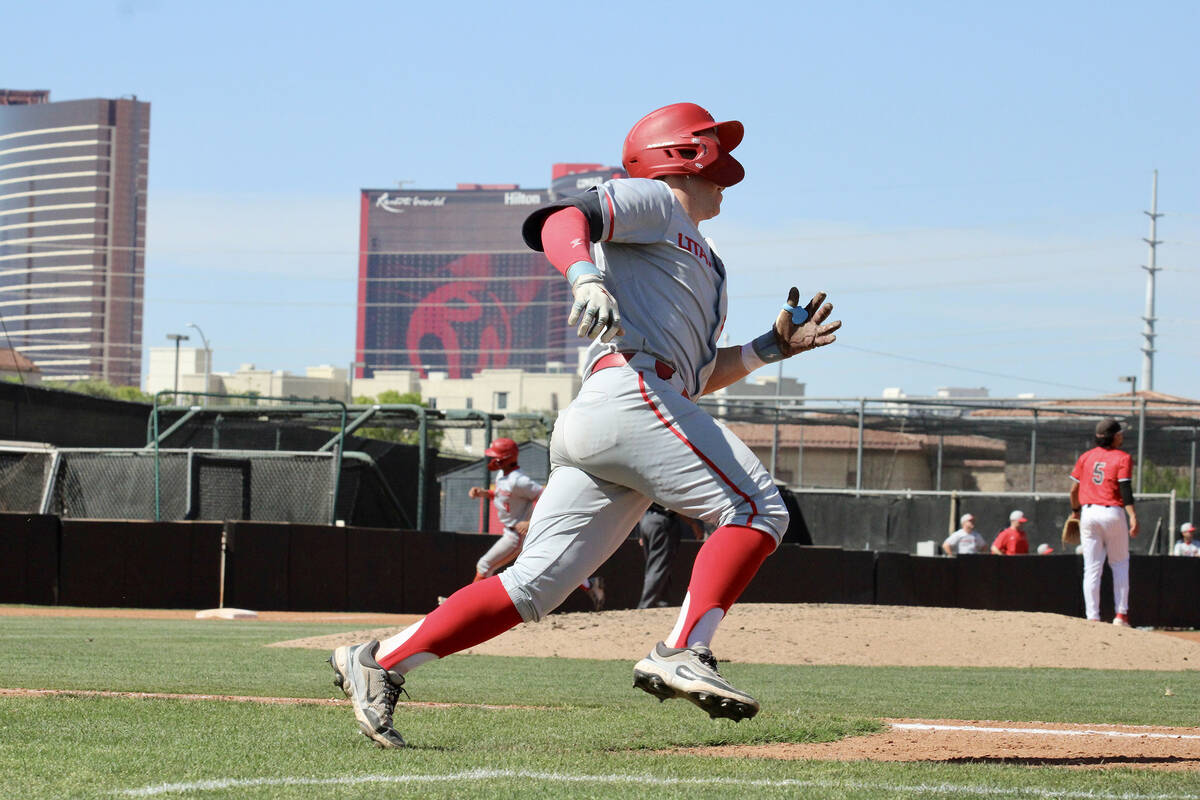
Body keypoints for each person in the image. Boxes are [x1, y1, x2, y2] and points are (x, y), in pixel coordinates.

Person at [328, 102, 841, 748]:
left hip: (627, 408)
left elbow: (696, 378)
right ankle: (683, 647)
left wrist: (772, 346)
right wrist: (585, 275)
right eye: (712, 148)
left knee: (530, 587)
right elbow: (561, 218)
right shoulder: (657, 200)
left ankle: (380, 661)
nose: (725, 166)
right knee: (759, 509)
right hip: (628, 392)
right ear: (681, 154)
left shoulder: (708, 263)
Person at [461, 437, 605, 610]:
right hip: (511, 532)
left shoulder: (519, 480)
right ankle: (590, 585)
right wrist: (485, 493)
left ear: (508, 458)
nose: (493, 460)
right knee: (551, 564)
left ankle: (467, 607)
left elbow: (544, 497)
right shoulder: (502, 475)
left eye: (497, 456)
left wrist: (530, 522)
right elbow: (506, 497)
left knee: (485, 565)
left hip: (517, 535)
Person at [1069, 417, 1139, 626]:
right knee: (1119, 563)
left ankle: (1092, 617)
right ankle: (1120, 615)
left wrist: (1075, 511)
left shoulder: (1086, 457)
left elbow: (1073, 490)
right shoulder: (1122, 457)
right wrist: (1133, 515)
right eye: (1119, 433)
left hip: (1088, 513)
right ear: (1114, 437)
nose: (1122, 436)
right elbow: (1124, 489)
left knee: (1091, 568)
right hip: (1112, 512)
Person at [637, 505, 704, 608]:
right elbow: (675, 505)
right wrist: (692, 523)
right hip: (661, 521)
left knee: (657, 566)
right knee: (658, 567)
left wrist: (639, 531)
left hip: (645, 520)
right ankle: (645, 606)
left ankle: (662, 602)